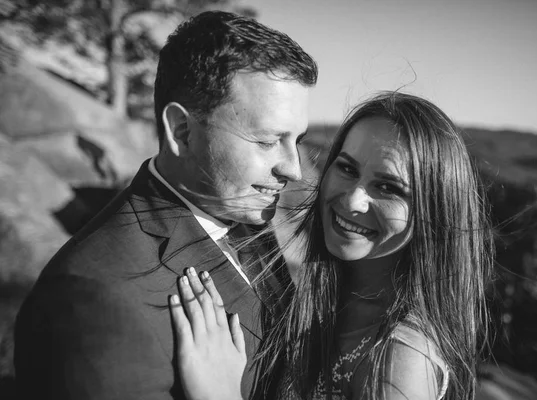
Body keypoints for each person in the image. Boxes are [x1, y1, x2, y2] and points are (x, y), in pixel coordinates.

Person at [14, 11, 317, 400]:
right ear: (181, 132)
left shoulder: (246, 210)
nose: (293, 169)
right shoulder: (92, 300)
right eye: (266, 141)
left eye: (297, 139)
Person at [169, 92, 494, 400]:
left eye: (389, 187)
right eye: (347, 168)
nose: (353, 200)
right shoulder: (327, 299)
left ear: (432, 212)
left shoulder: (402, 362)